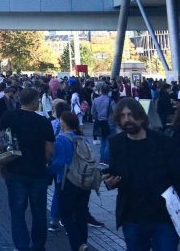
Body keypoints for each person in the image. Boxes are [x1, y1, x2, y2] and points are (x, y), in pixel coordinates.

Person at [104, 98, 180, 251]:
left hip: (163, 218)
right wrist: (110, 183)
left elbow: (177, 176)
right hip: (132, 218)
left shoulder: (163, 142)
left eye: (131, 115)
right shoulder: (116, 143)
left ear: (141, 116)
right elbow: (115, 173)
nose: (127, 120)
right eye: (123, 116)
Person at [0, 87, 55, 251]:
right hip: (37, 172)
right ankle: (38, 245)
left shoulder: (9, 116)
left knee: (17, 212)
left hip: (15, 170)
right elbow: (49, 151)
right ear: (35, 101)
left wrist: (3, 163)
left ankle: (21, 246)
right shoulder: (43, 122)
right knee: (38, 213)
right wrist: (43, 161)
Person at [49, 111, 91, 251]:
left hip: (67, 181)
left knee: (66, 214)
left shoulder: (61, 139)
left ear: (64, 123)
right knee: (81, 215)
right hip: (84, 181)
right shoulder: (82, 138)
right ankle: (81, 243)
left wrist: (48, 169)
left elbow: (58, 163)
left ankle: (79, 244)